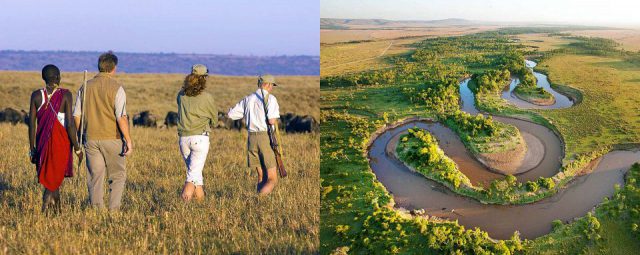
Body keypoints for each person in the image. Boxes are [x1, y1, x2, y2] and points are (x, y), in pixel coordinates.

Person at [73, 51, 133, 211]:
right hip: (112, 138)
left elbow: (76, 116)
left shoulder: (84, 87)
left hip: (90, 139)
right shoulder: (117, 88)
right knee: (117, 176)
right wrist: (128, 140)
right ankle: (113, 211)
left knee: (95, 177)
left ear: (99, 67)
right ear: (114, 68)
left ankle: (97, 211)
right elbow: (121, 117)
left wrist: (79, 137)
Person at [28, 64, 82, 213]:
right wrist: (77, 148)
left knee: (53, 176)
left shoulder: (36, 95)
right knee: (54, 177)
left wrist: (32, 149)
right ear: (58, 77)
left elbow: (32, 125)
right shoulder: (66, 94)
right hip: (61, 143)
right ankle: (46, 205)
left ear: (43, 78)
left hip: (42, 143)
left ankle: (57, 211)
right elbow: (70, 124)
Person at [228, 74, 281, 195]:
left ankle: (258, 202)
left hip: (251, 138)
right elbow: (272, 120)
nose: (272, 88)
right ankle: (259, 198)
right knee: (272, 178)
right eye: (272, 85)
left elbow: (231, 115)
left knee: (261, 175)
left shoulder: (248, 99)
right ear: (267, 84)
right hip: (265, 137)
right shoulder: (271, 99)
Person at [176, 64, 217, 201]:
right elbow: (215, 120)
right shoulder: (207, 97)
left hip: (183, 139)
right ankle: (184, 205)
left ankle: (201, 205)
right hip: (200, 138)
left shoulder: (181, 95)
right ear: (204, 78)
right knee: (192, 177)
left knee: (195, 174)